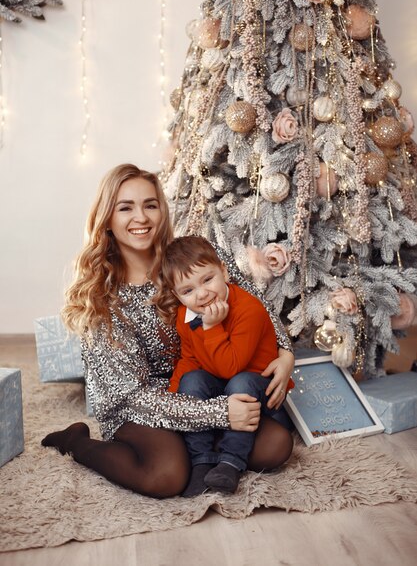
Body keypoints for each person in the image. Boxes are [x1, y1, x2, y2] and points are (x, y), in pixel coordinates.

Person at [41, 164, 295, 499]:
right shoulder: (102, 296)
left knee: (276, 446)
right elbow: (134, 395)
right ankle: (76, 441)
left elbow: (250, 301)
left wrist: (285, 350)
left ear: (162, 209)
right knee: (166, 476)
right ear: (107, 218)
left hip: (205, 384)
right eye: (126, 207)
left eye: (150, 204)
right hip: (140, 406)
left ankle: (201, 449)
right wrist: (221, 413)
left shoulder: (190, 257)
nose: (141, 217)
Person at [154, 235, 295, 496]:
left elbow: (232, 367)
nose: (202, 293)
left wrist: (212, 327)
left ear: (224, 271)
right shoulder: (186, 316)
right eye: (188, 290)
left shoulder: (248, 310)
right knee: (191, 380)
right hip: (222, 392)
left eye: (207, 279)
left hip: (259, 390)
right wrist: (175, 400)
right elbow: (190, 358)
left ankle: (231, 463)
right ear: (178, 296)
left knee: (240, 381)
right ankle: (201, 461)